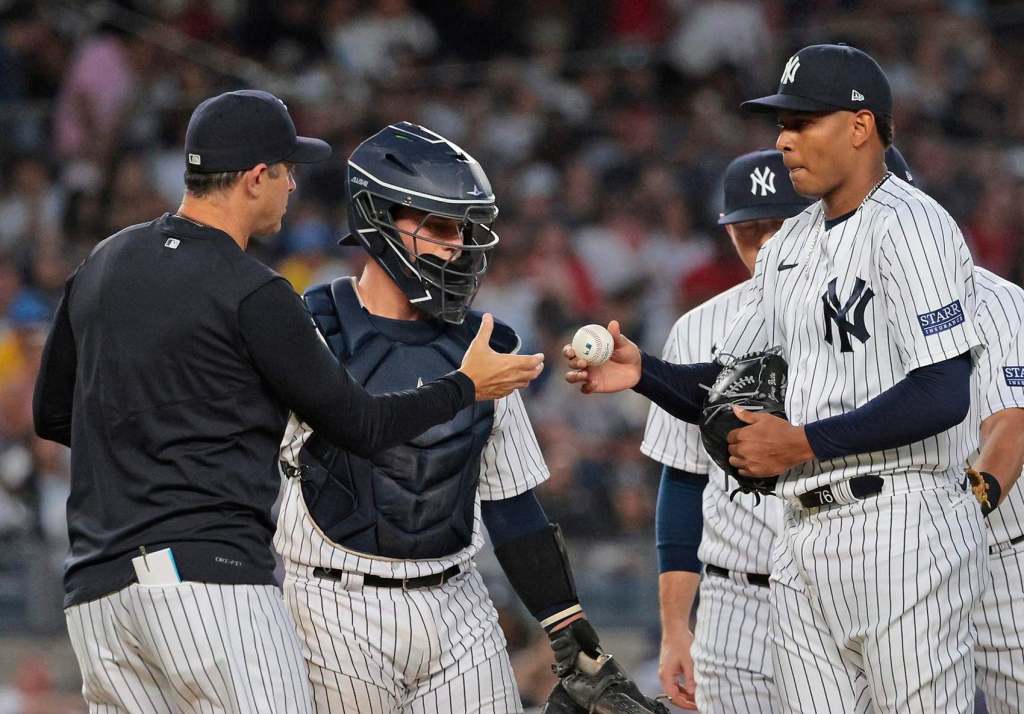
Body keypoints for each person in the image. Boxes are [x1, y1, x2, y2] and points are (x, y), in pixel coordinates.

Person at [33, 91, 543, 714]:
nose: (293, 185)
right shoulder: (254, 290)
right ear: (255, 178)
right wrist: (466, 386)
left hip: (97, 594)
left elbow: (52, 414)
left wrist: (152, 443)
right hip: (210, 582)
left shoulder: (103, 261)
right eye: (286, 170)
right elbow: (361, 424)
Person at [565, 44, 985, 713]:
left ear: (860, 126)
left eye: (803, 122)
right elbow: (731, 380)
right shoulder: (791, 243)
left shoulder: (913, 225)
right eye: (782, 124)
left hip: (904, 521)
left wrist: (803, 442)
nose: (784, 139)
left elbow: (943, 390)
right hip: (802, 532)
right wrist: (644, 373)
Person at [275, 122, 656, 714]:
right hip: (330, 604)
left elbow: (512, 504)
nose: (458, 245)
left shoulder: (486, 342)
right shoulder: (306, 327)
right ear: (378, 218)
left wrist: (569, 629)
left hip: (460, 604)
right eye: (439, 226)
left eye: (464, 229)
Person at [646, 146, 913, 712]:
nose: (766, 244)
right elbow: (683, 481)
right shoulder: (697, 328)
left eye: (781, 225)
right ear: (728, 233)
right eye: (750, 231)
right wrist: (674, 628)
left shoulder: (866, 312)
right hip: (735, 602)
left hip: (852, 582)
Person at [967, 267, 1024, 714]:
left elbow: (1011, 425)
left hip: (1004, 562)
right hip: (897, 568)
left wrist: (953, 515)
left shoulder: (997, 300)